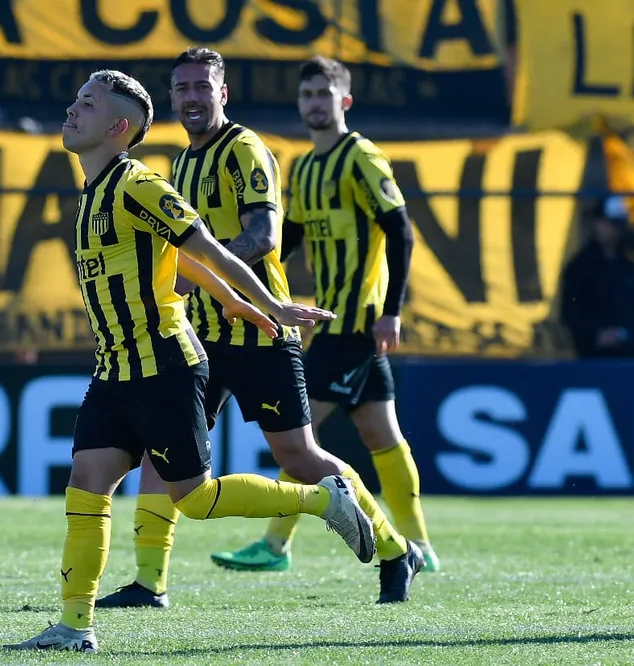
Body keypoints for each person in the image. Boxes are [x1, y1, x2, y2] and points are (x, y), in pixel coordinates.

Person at [7, 69, 376, 653]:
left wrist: (269, 303)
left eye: (88, 104)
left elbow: (203, 246)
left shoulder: (139, 184)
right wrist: (232, 301)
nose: (72, 111)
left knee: (195, 500)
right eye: (75, 99)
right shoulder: (91, 194)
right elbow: (177, 267)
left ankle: (322, 498)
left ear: (119, 127)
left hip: (164, 366)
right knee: (86, 482)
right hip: (114, 371)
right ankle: (75, 628)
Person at [95, 47, 423, 613]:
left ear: (222, 93)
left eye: (203, 86)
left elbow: (265, 237)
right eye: (182, 88)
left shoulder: (244, 148)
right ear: (171, 98)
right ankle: (150, 583)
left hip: (261, 333)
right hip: (199, 336)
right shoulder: (183, 163)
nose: (192, 97)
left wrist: (197, 271)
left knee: (300, 457)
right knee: (159, 447)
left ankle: (396, 548)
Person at [212, 55, 439, 575]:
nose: (315, 103)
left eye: (324, 94)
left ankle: (274, 545)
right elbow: (288, 239)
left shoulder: (361, 157)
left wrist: (392, 312)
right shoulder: (307, 166)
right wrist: (232, 275)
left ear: (345, 101)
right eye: (307, 95)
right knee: (382, 435)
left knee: (299, 433)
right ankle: (420, 545)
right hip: (331, 320)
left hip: (357, 321)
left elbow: (400, 231)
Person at [560, 194, 634, 358]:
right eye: (607, 223)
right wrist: (595, 335)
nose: (611, 230)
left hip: (629, 357)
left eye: (616, 225)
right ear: (595, 223)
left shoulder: (628, 266)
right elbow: (570, 312)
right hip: (594, 357)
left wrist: (627, 333)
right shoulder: (580, 268)